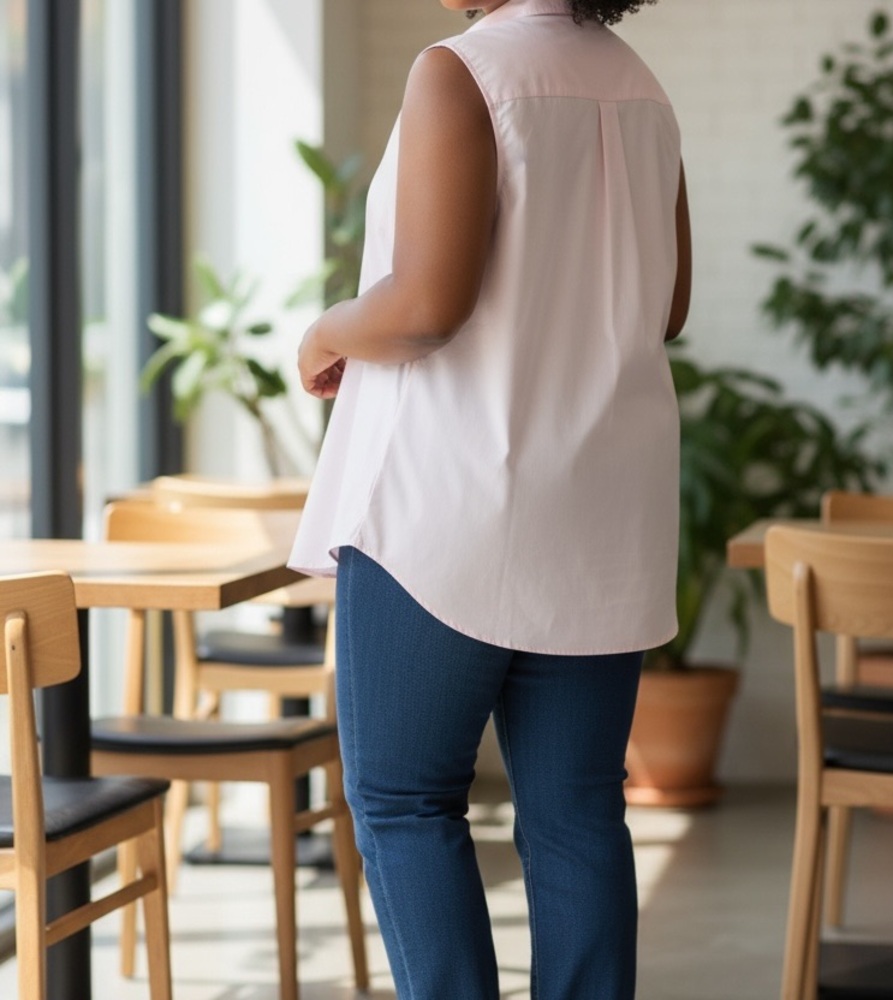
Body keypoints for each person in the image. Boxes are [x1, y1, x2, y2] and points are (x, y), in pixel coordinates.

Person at [290, 0, 691, 996]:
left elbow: (425, 304)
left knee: (407, 804)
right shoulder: (639, 84)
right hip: (599, 512)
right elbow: (669, 302)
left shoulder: (458, 72)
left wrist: (328, 329)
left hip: (443, 513)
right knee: (577, 814)